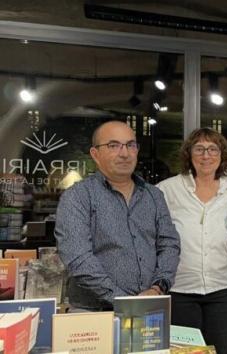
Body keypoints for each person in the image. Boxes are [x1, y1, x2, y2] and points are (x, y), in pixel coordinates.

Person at [55, 120, 180, 311]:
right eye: (113, 145)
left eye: (131, 145)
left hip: (148, 306)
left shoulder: (154, 196)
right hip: (92, 312)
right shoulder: (78, 196)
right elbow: (78, 258)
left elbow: (169, 244)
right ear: (95, 154)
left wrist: (157, 288)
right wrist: (122, 300)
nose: (124, 153)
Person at [156, 128, 227, 354]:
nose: (206, 155)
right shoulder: (167, 190)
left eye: (212, 149)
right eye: (199, 149)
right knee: (184, 352)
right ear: (189, 154)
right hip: (180, 289)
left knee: (222, 350)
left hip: (224, 288)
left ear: (222, 154)